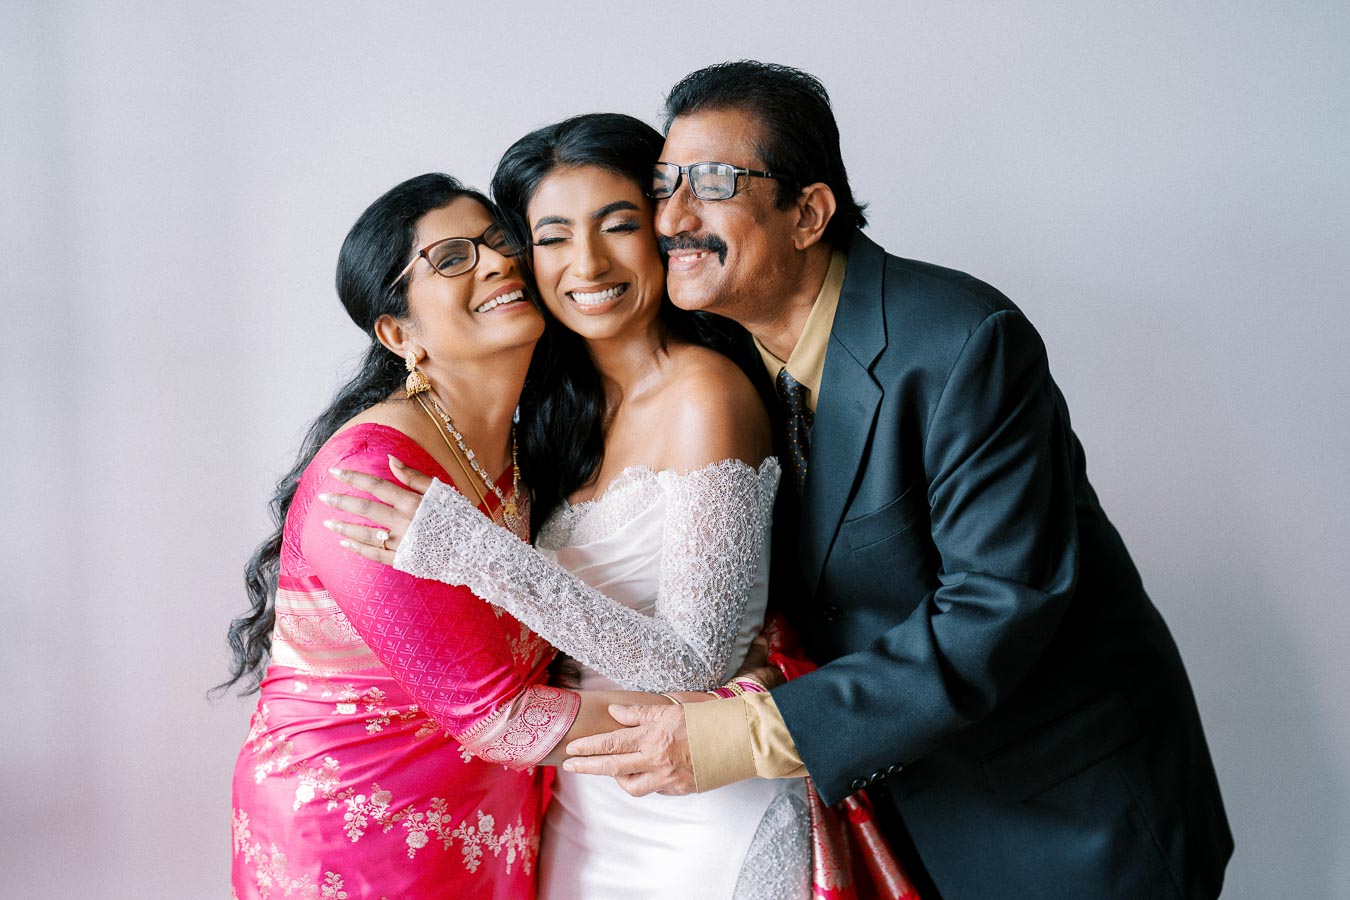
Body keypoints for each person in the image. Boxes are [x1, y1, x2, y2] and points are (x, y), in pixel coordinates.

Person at [549, 62, 1234, 899]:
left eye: (714, 182)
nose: (674, 218)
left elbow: (996, 606)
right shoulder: (725, 364)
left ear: (808, 213)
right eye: (664, 186)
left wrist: (744, 730)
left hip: (1066, 812)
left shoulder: (961, 342)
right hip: (896, 806)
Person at [323, 114, 815, 900]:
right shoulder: (546, 419)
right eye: (550, 237)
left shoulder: (705, 395)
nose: (587, 262)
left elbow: (699, 667)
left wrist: (474, 553)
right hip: (585, 812)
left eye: (618, 225)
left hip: (702, 816)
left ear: (660, 231)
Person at [222, 173, 684, 899]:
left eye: (500, 243)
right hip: (356, 828)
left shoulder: (521, 451)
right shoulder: (370, 474)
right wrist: (733, 720)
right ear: (399, 333)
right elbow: (502, 716)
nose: (498, 262)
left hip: (489, 816)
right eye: (451, 258)